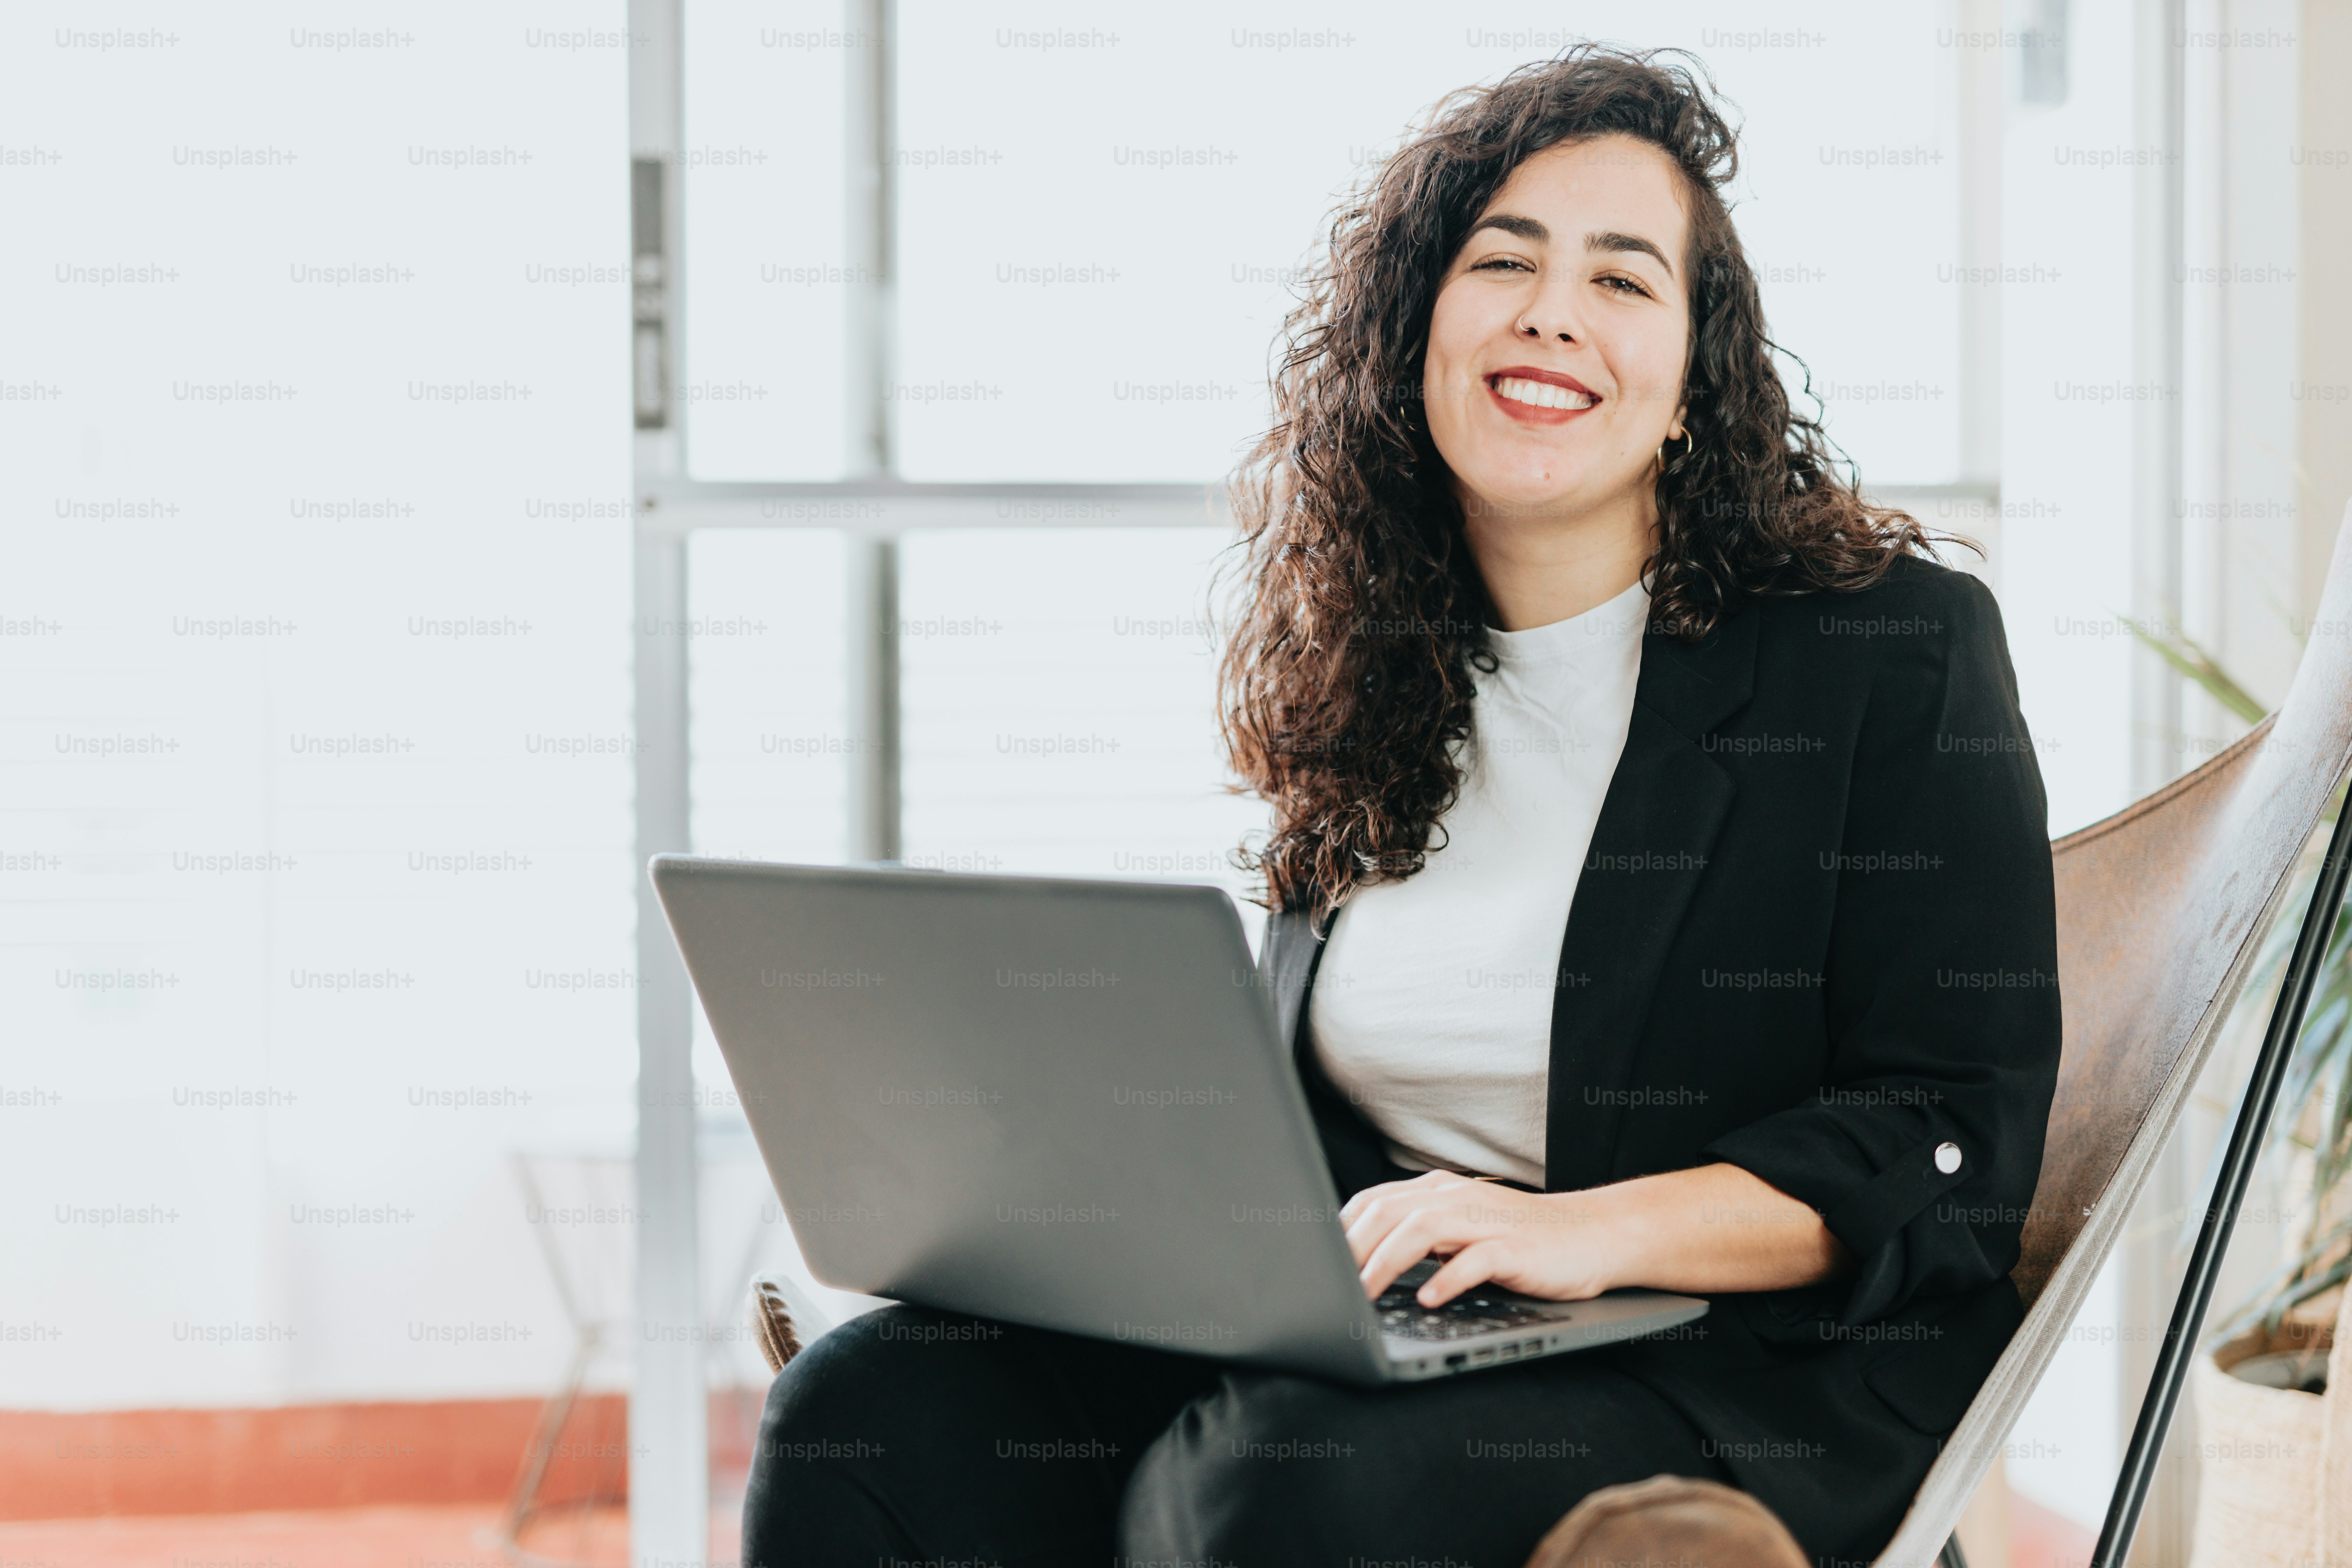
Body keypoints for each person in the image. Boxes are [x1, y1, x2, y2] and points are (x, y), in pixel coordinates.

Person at [742, 45, 2059, 1567]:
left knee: (1264, 1483)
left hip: (1731, 1370)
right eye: (1503, 261)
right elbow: (1318, 1120)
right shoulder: (1369, 671)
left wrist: (1577, 1229)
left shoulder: (1884, 651)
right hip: (1405, 1331)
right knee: (868, 1410)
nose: (1552, 307)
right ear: (1414, 339)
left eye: (1624, 280)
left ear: (1695, 380)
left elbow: (1953, 1142)